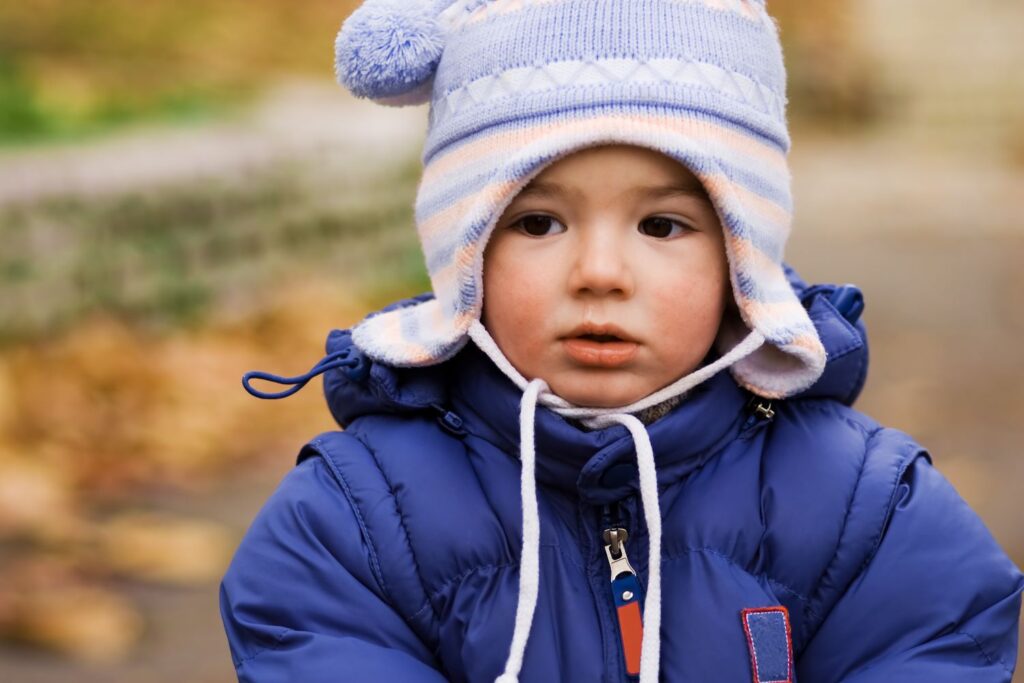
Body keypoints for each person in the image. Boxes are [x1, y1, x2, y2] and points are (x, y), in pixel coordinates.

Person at [218, 0, 1024, 681]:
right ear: (464, 253)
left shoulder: (864, 511)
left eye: (662, 225)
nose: (600, 273)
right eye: (539, 222)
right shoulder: (355, 524)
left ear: (742, 261)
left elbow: (933, 642)